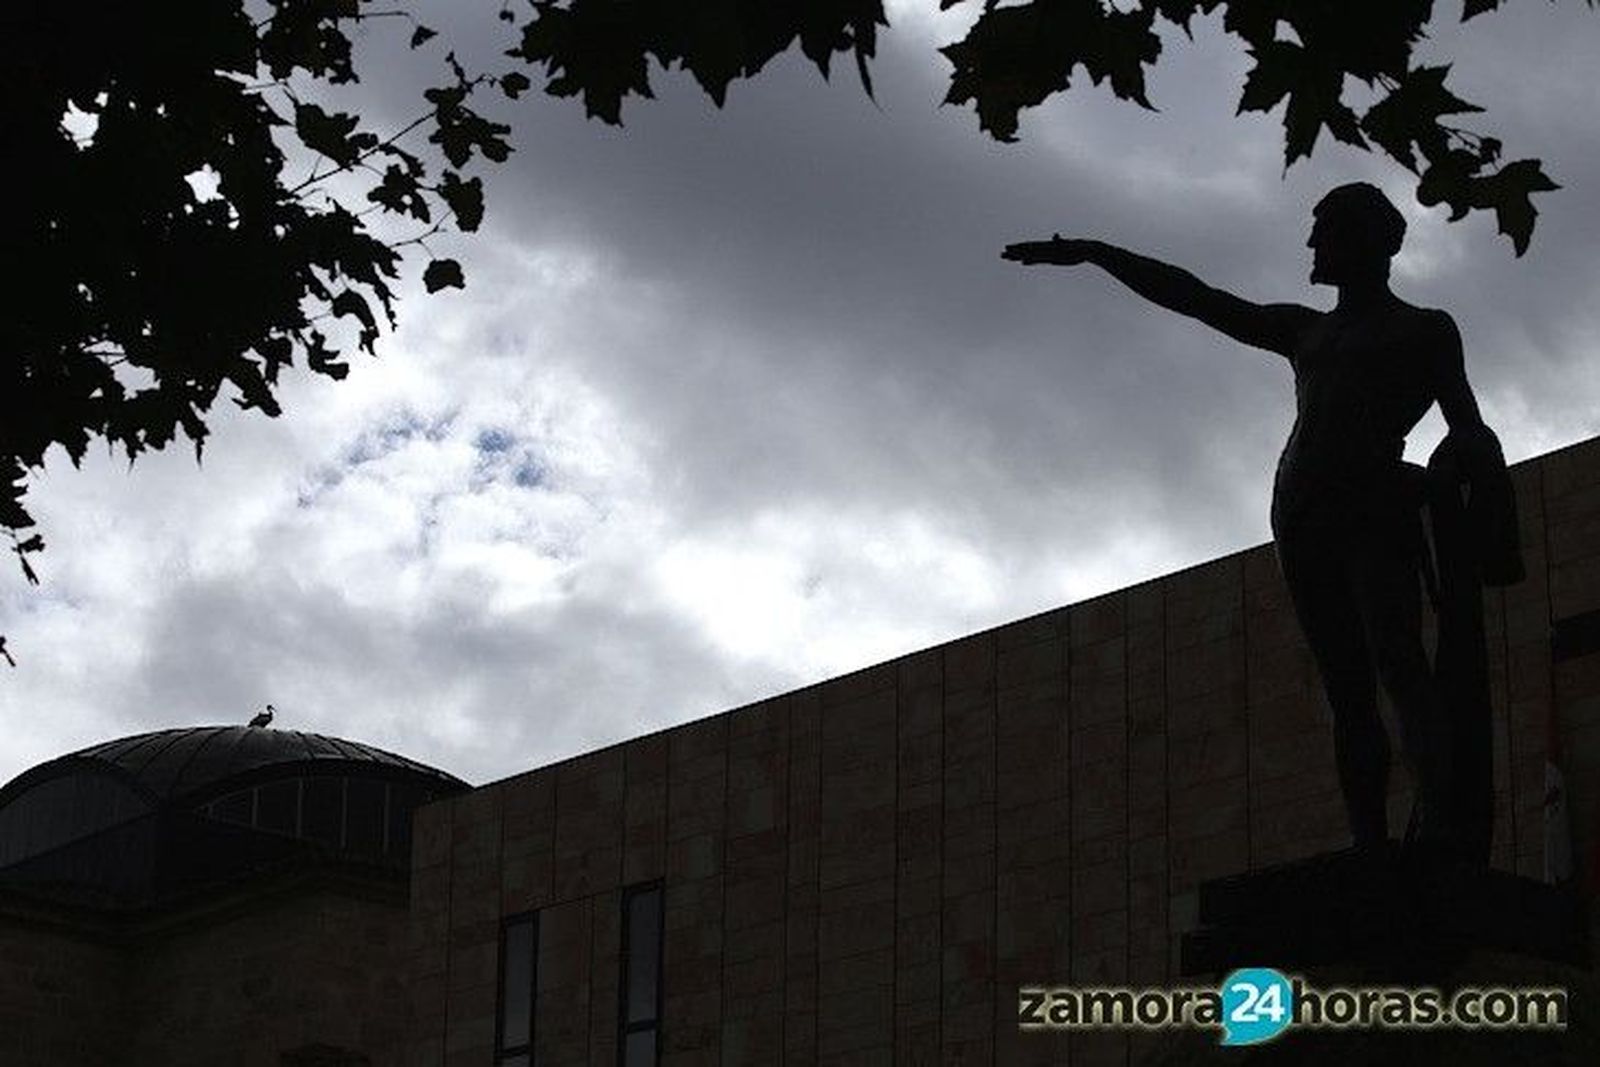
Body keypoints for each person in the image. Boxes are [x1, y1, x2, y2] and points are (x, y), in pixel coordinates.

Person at [1003, 183, 1496, 853]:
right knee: (1349, 692)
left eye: (1322, 230)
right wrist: (1097, 253)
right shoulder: (1306, 329)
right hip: (1302, 515)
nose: (1310, 245)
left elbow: (1467, 425)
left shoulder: (1423, 329)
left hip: (1373, 506)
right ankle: (1371, 849)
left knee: (1399, 662)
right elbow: (1199, 299)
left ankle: (1439, 831)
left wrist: (1454, 474)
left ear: (1362, 238)